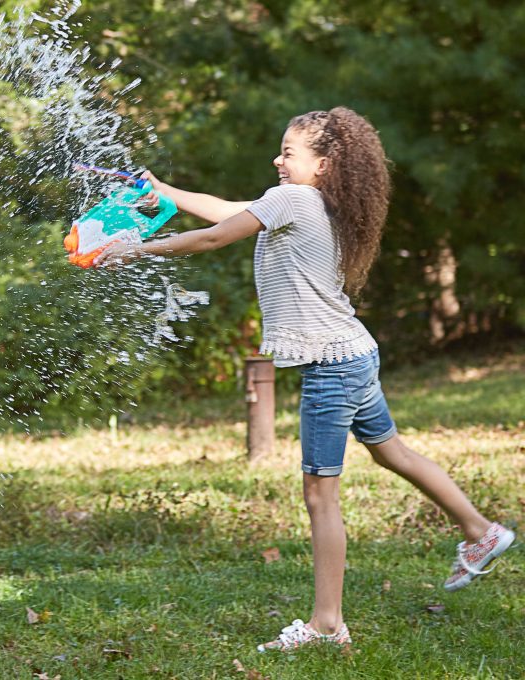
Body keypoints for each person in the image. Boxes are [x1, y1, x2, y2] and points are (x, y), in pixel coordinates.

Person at [96, 107, 515, 652]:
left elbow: (213, 237)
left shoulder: (294, 199)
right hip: (354, 354)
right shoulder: (308, 201)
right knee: (393, 454)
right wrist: (164, 190)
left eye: (289, 152)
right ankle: (482, 531)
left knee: (321, 496)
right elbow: (231, 210)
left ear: (324, 163)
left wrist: (135, 249)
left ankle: (326, 625)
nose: (278, 158)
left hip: (330, 366)